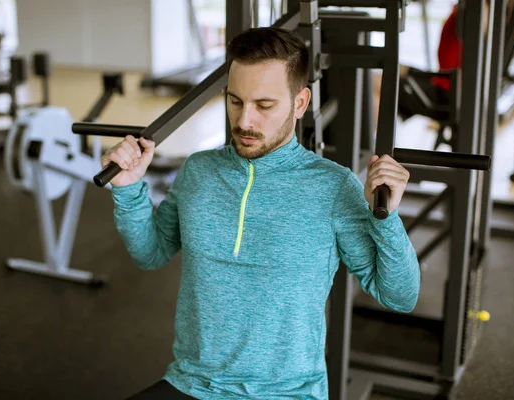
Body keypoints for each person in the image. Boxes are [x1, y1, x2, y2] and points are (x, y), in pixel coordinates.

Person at [103, 27, 420, 400]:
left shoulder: (333, 187)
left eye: (264, 105)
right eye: (235, 101)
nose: (245, 121)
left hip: (286, 393)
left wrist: (387, 218)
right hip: (193, 383)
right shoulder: (199, 172)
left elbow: (400, 295)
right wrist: (127, 191)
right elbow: (150, 253)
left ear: (300, 103)